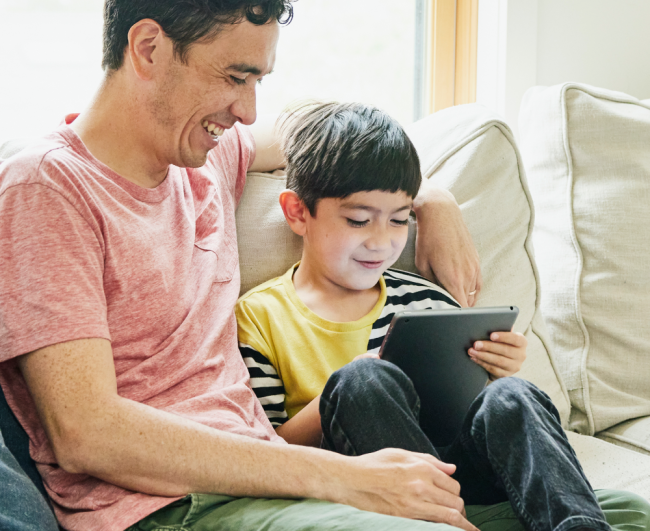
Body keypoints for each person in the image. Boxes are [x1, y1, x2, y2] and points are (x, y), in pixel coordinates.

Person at [0, 0, 488, 531]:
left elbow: (326, 134)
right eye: (235, 77)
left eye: (258, 81)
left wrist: (430, 198)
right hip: (166, 508)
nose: (248, 110)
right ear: (149, 48)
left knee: (624, 513)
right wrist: (347, 478)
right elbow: (85, 432)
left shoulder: (207, 156)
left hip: (271, 491)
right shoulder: (48, 187)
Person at [236, 101, 650, 531]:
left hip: (465, 481)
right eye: (359, 221)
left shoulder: (422, 300)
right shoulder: (259, 316)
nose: (381, 243)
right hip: (367, 487)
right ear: (297, 212)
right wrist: (333, 395)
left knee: (515, 395)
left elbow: (480, 414)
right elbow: (269, 450)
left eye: (398, 221)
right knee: (362, 380)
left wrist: (496, 369)